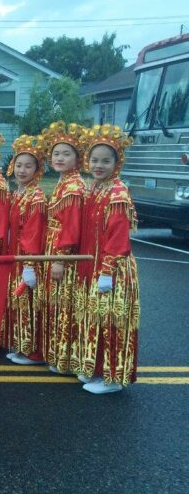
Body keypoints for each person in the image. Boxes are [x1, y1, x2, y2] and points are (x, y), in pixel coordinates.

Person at [77, 125, 140, 394]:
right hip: (97, 265)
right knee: (97, 319)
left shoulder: (117, 193)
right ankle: (98, 369)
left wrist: (107, 270)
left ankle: (113, 378)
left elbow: (117, 237)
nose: (98, 165)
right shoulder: (96, 188)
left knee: (112, 321)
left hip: (112, 268)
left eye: (106, 160)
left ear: (117, 162)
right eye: (94, 160)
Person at [40, 121, 87, 375]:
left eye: (66, 153)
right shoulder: (63, 182)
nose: (60, 158)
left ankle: (66, 359)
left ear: (77, 159)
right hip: (53, 246)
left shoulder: (72, 187)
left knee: (64, 303)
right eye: (56, 153)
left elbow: (71, 229)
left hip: (62, 253)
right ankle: (59, 355)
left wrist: (60, 259)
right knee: (57, 303)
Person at [3, 135, 47, 366]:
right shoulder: (18, 193)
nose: (22, 170)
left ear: (37, 169)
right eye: (19, 165)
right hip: (15, 255)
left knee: (28, 301)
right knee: (18, 301)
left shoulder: (36, 197)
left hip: (26, 258)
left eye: (28, 166)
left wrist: (30, 265)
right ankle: (21, 346)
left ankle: (33, 351)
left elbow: (33, 233)